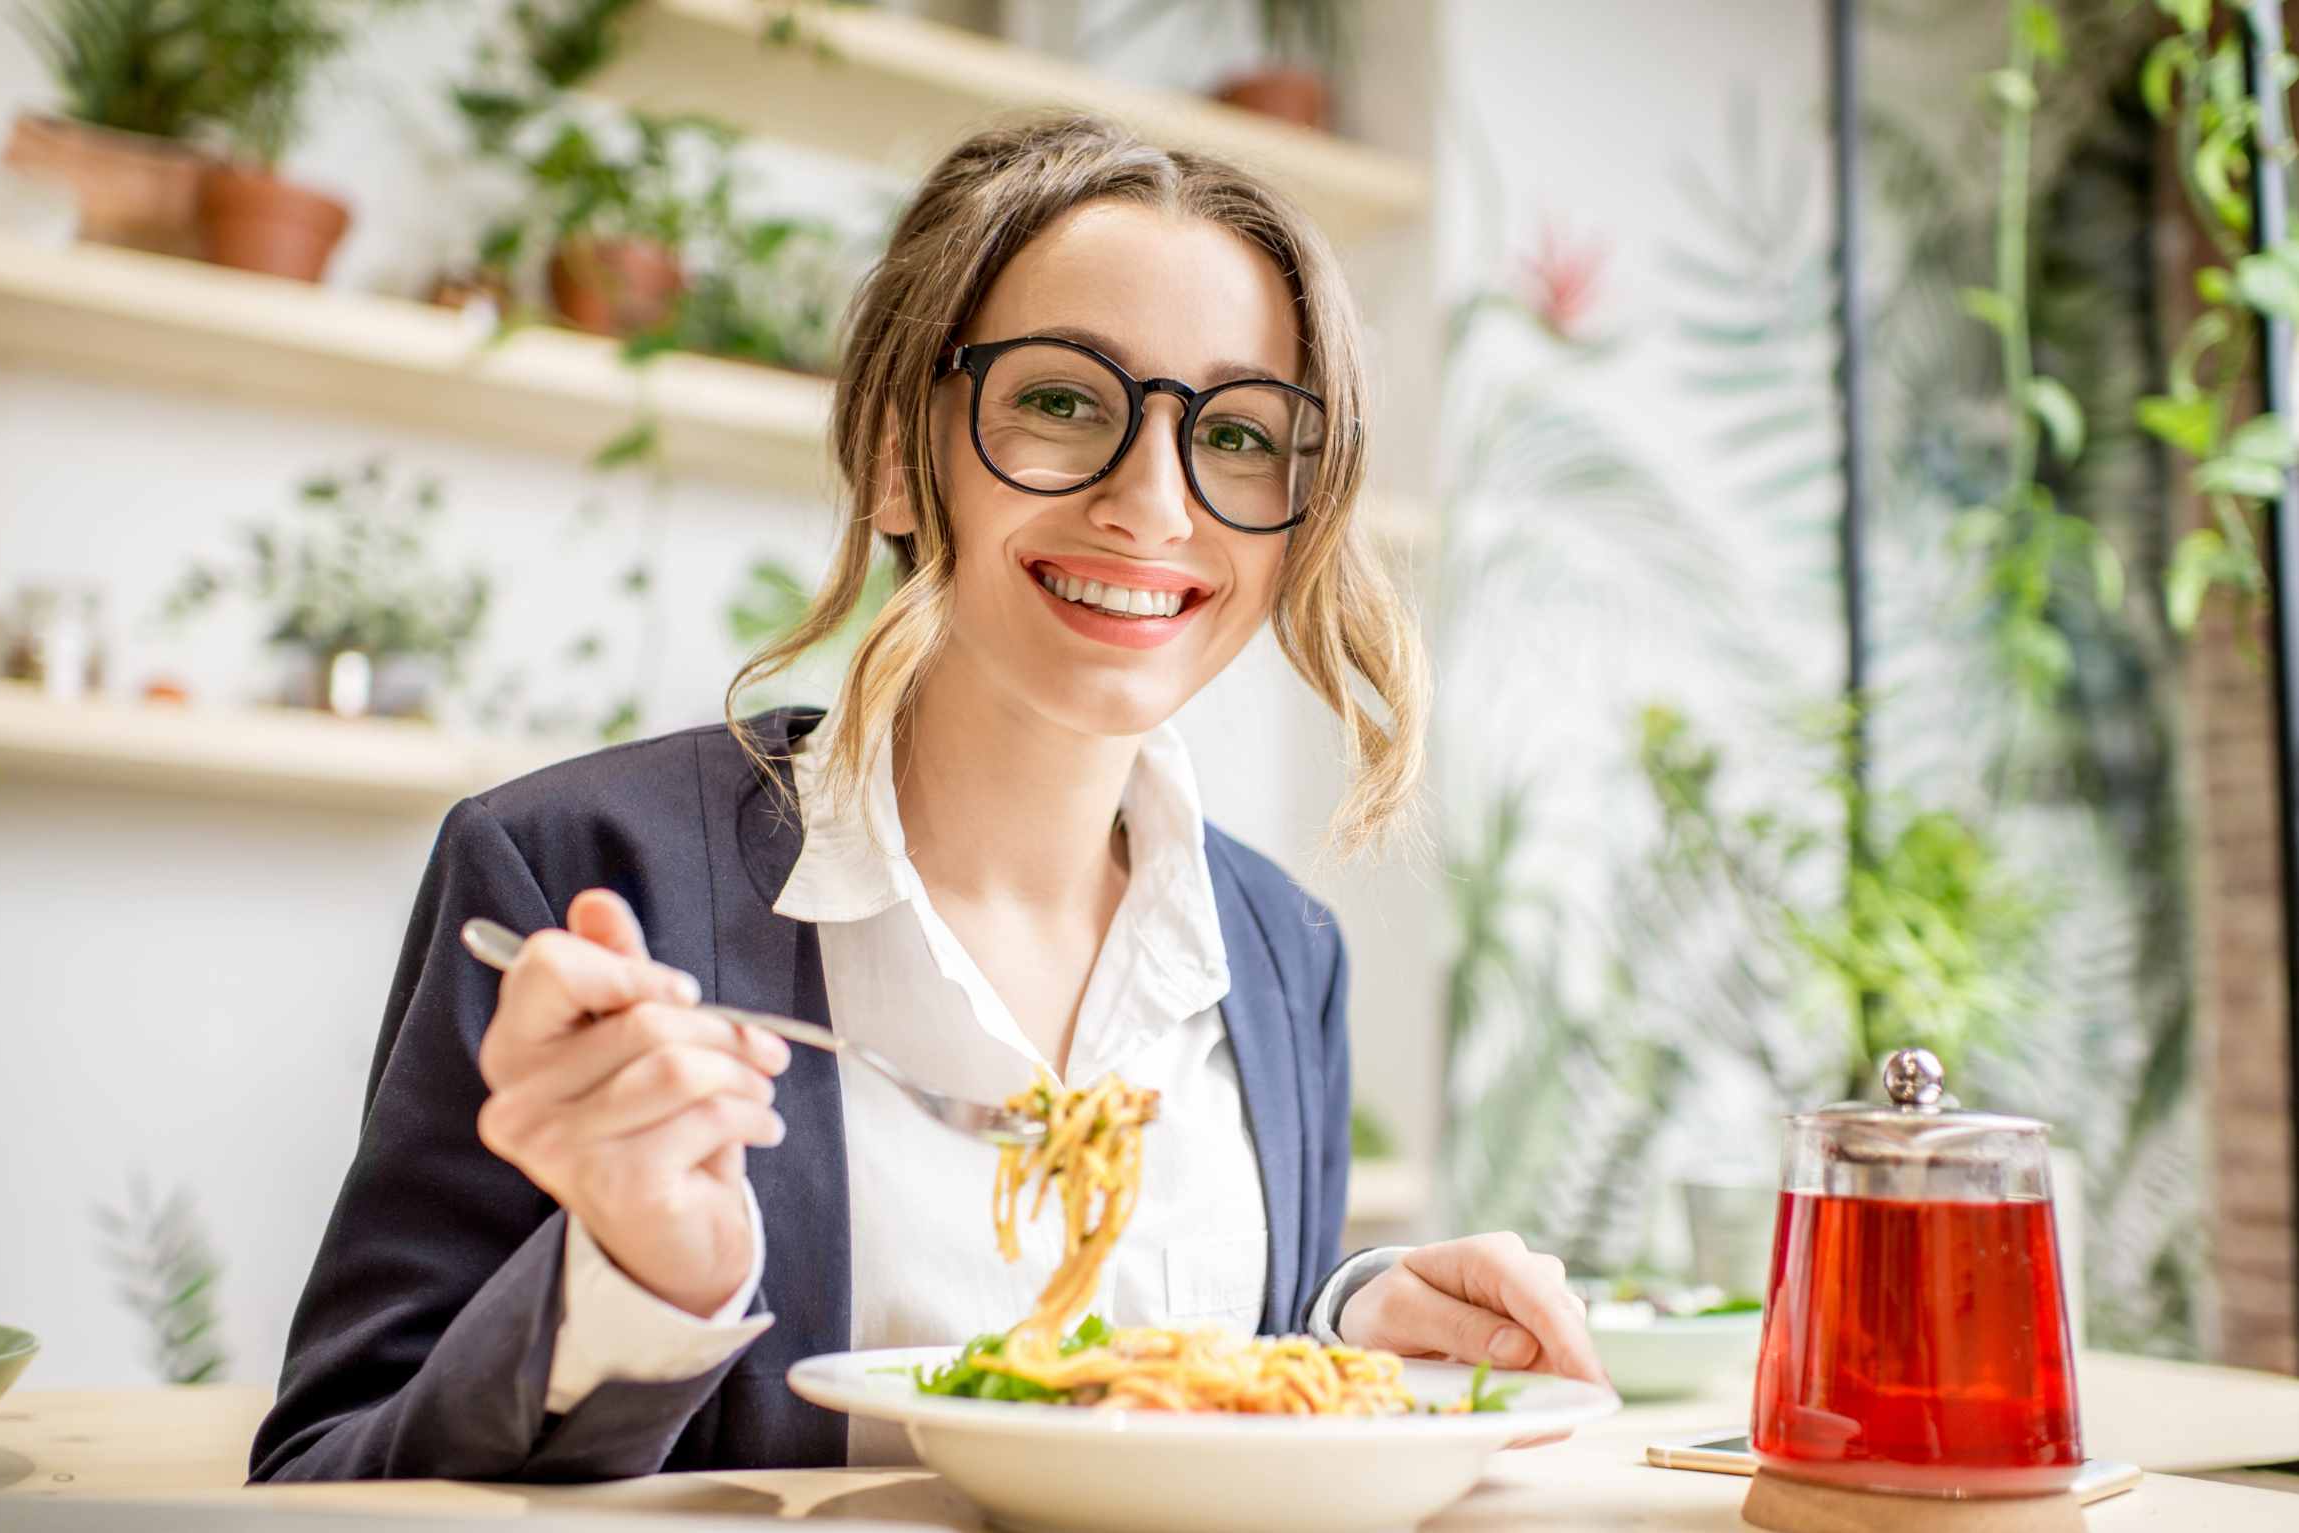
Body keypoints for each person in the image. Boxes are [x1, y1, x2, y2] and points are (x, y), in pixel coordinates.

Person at [250, 112, 1603, 1484]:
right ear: (898, 451)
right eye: (1063, 400)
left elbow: (1184, 1407)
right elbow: (326, 1474)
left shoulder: (1276, 945)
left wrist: (1345, 1324)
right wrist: (638, 1282)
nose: (1154, 503)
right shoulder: (575, 872)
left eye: (1242, 431)